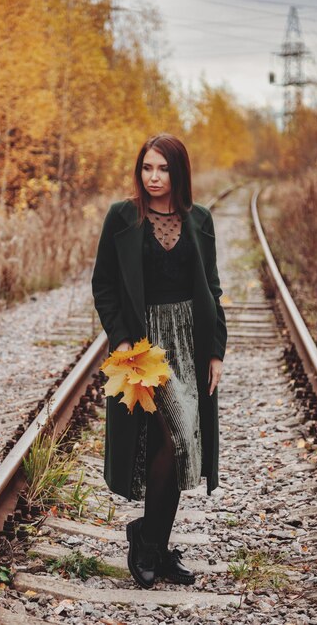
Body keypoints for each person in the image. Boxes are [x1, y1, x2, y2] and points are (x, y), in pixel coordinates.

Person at [91, 133, 227, 589]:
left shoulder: (200, 220)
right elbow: (104, 284)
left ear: (178, 172)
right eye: (147, 167)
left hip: (190, 342)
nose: (153, 177)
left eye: (162, 169)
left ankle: (151, 541)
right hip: (146, 348)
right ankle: (150, 545)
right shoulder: (122, 217)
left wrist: (215, 351)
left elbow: (212, 287)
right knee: (170, 439)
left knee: (184, 440)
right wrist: (123, 339)